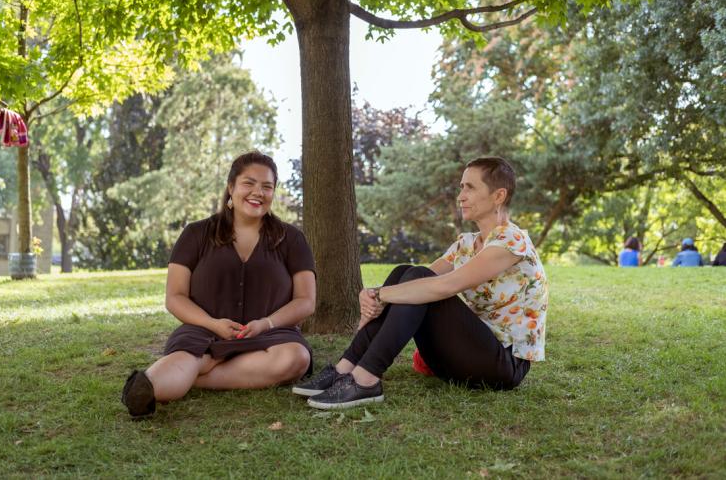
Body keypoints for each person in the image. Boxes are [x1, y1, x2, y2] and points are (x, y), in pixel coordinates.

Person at [293, 157, 548, 409]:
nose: (461, 196)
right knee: (407, 271)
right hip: (461, 357)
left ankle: (366, 379)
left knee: (419, 280)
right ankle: (345, 368)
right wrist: (373, 295)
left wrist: (380, 294)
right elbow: (415, 277)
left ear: (498, 196)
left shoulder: (513, 241)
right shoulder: (466, 244)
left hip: (501, 366)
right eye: (461, 187)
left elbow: (444, 286)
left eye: (470, 187)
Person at [121, 152, 316, 417]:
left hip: (270, 335)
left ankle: (195, 377)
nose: (258, 192)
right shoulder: (195, 234)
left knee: (297, 358)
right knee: (183, 359)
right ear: (231, 188)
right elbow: (175, 296)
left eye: (267, 186)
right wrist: (213, 325)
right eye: (249, 183)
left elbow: (306, 300)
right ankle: (147, 389)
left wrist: (266, 323)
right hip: (203, 332)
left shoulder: (291, 238)